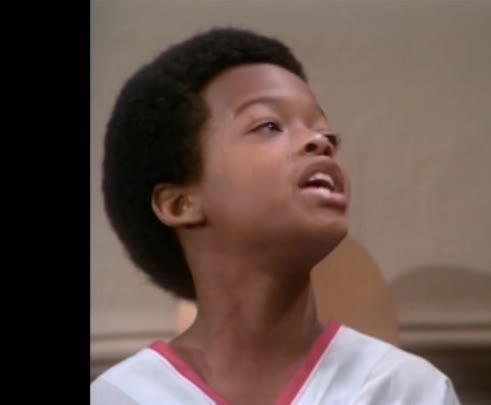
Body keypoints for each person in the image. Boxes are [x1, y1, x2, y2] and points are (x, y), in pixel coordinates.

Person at [91, 27, 460, 405]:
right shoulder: (121, 396)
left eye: (329, 136)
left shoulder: (408, 390)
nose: (319, 142)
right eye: (269, 125)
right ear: (180, 204)